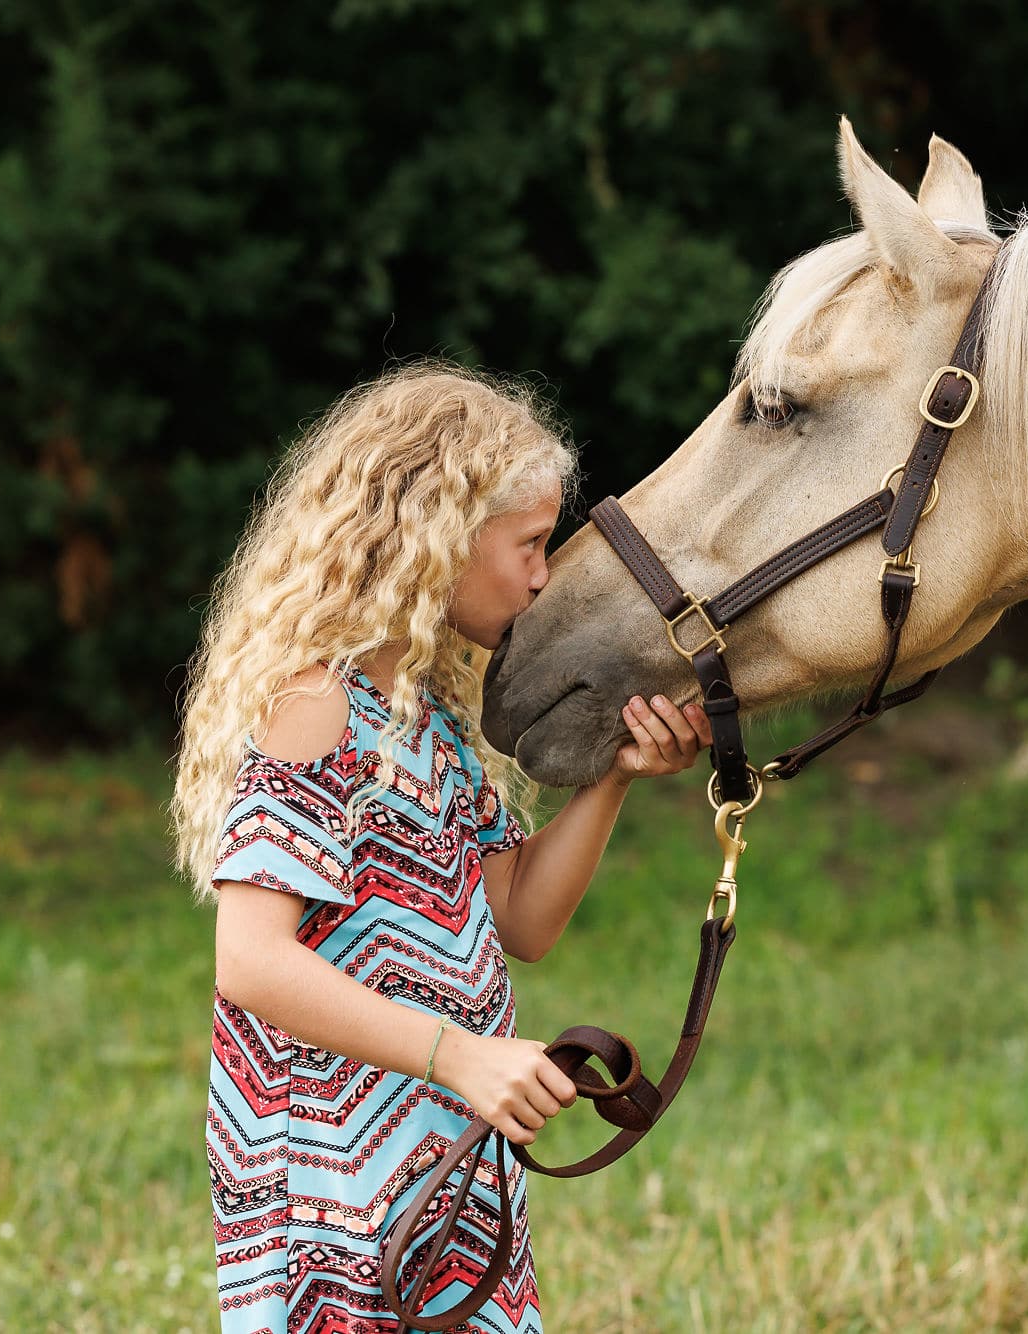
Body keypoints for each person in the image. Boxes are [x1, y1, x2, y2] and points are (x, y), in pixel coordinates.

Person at [168, 363, 710, 1332]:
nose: (544, 575)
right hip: (330, 1181)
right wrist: (460, 1055)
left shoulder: (426, 717)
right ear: (437, 535)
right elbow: (248, 959)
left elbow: (521, 916)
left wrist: (614, 772)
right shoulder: (315, 702)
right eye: (529, 545)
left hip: (439, 1156)